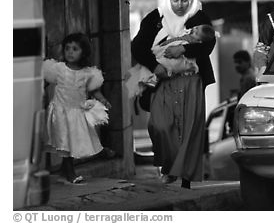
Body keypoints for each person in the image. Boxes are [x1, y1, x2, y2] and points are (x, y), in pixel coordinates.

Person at [131, 0, 216, 188]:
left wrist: (184, 50)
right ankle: (169, 166)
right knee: (159, 126)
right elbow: (138, 47)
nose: (179, 5)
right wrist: (154, 66)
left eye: (184, 0)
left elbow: (208, 43)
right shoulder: (154, 18)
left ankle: (186, 177)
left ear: (190, 0)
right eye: (175, 0)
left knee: (189, 128)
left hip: (191, 80)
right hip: (163, 82)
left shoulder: (199, 17)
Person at [43, 33, 111, 184]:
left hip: (77, 113)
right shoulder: (58, 69)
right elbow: (46, 81)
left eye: (75, 49)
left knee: (72, 142)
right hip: (60, 112)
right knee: (66, 142)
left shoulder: (87, 73)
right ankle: (70, 173)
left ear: (84, 52)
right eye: (67, 48)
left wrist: (103, 100)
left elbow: (94, 90)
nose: (70, 52)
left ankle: (63, 171)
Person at [126, 24, 216, 99]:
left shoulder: (191, 50)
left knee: (151, 76)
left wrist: (183, 49)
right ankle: (139, 84)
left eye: (196, 33)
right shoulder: (184, 32)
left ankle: (142, 86)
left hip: (168, 67)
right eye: (196, 28)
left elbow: (180, 65)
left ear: (199, 41)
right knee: (144, 73)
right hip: (158, 55)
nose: (194, 31)